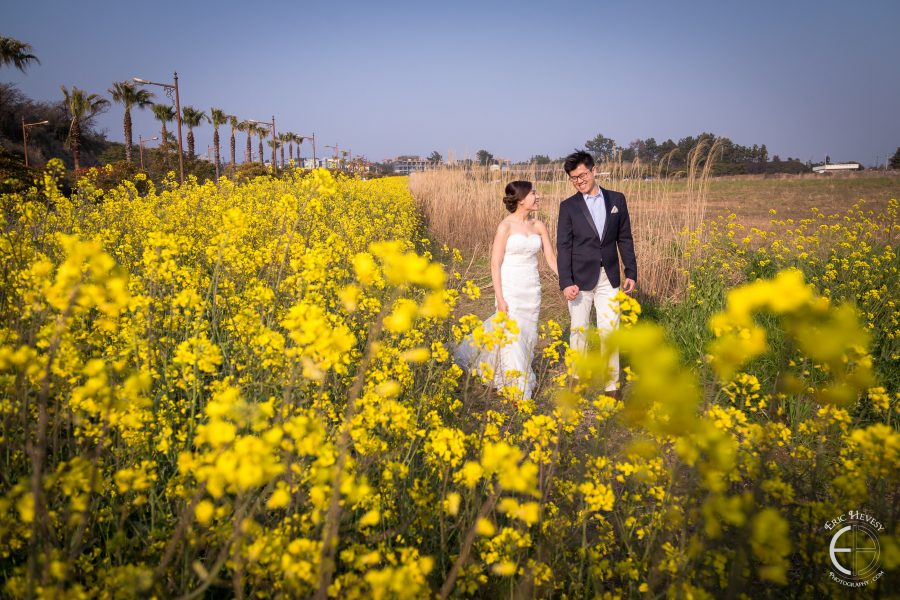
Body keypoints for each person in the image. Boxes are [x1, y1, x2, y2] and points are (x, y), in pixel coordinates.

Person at [454, 180, 558, 400]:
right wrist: (499, 297)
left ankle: (507, 368)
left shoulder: (539, 226)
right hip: (511, 286)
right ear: (521, 199)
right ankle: (516, 385)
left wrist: (568, 280)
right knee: (512, 332)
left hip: (532, 288)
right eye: (533, 193)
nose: (538, 197)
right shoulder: (505, 226)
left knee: (527, 333)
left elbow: (550, 259)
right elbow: (495, 264)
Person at [557, 150, 637, 395]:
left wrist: (630, 271)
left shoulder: (617, 200)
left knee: (609, 330)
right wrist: (565, 282)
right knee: (579, 328)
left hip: (610, 276)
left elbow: (624, 238)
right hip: (579, 280)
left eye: (582, 175)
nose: (579, 181)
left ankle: (612, 386)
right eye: (574, 178)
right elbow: (564, 246)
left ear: (593, 170)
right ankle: (577, 378)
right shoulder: (568, 206)